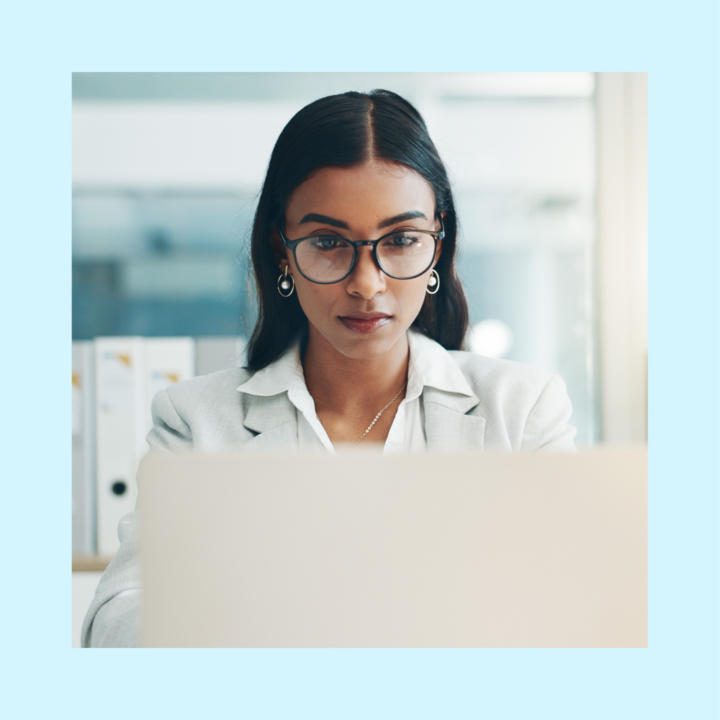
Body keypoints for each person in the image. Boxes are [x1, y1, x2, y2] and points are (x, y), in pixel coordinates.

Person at [81, 89, 576, 647]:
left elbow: (572, 619)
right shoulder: (197, 421)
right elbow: (114, 627)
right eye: (327, 242)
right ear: (282, 251)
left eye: (402, 240)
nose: (367, 284)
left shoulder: (521, 410)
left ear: (437, 246)